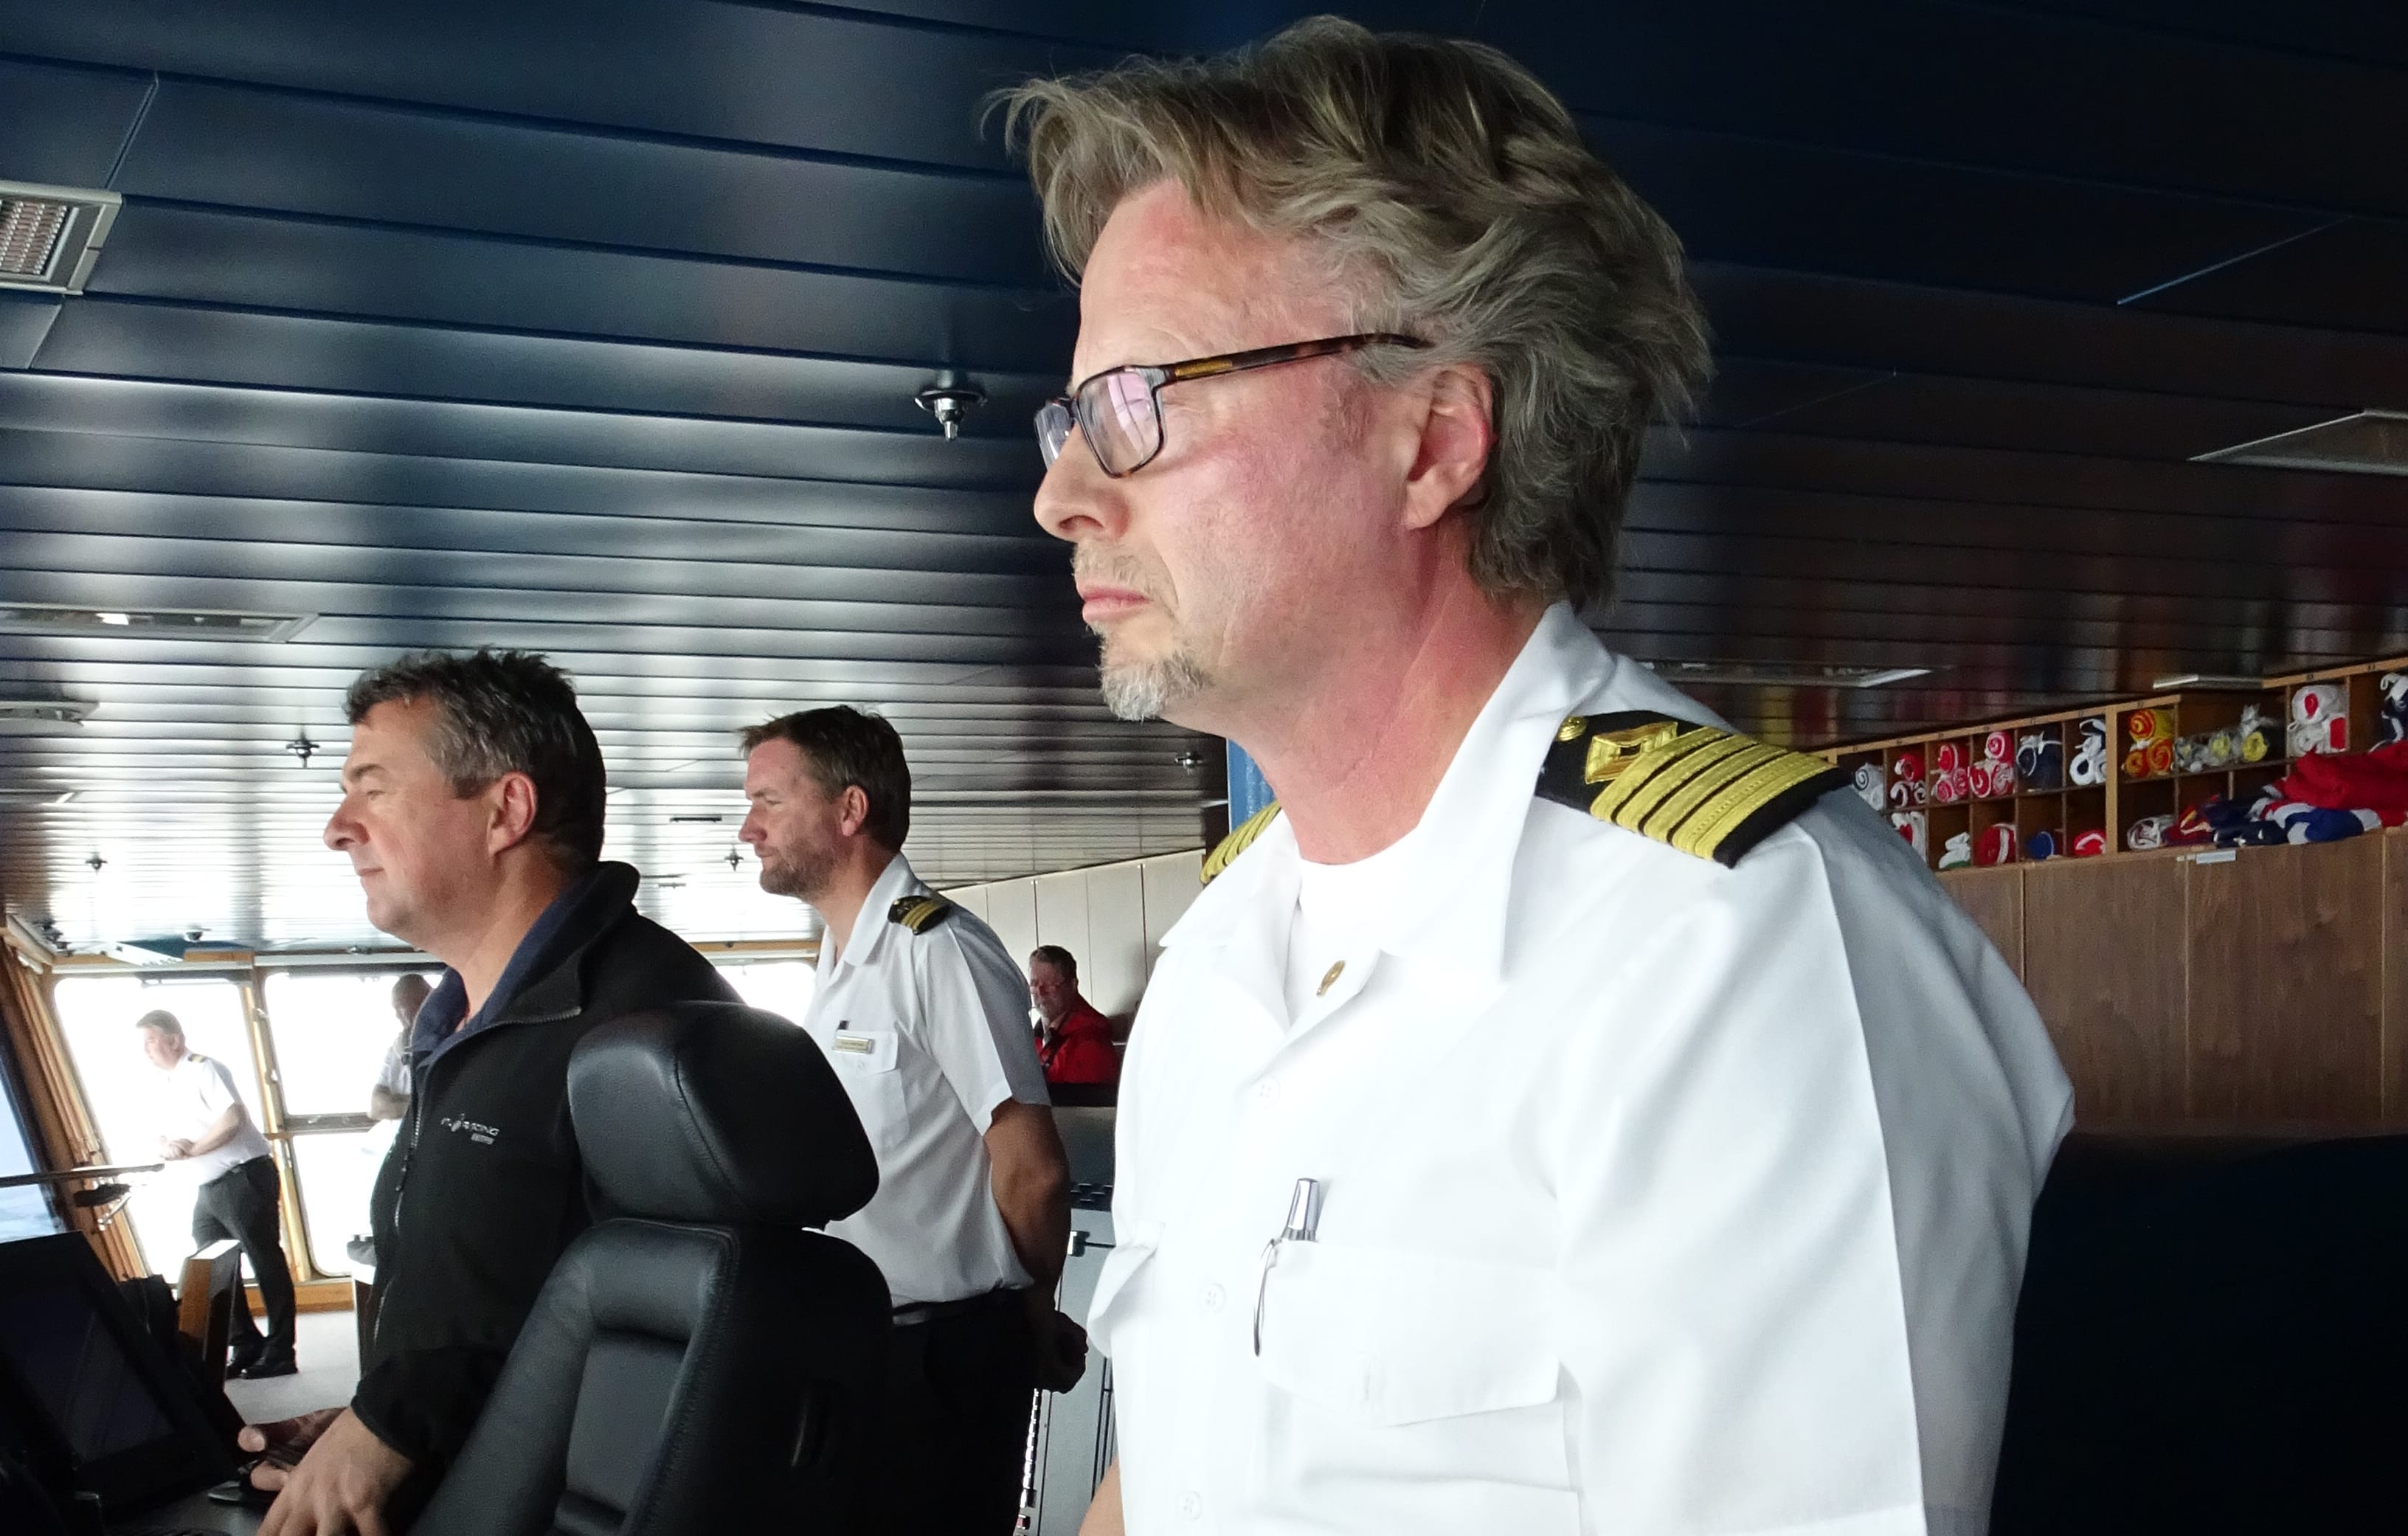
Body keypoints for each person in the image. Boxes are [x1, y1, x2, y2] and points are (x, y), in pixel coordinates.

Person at [1004, 20, 2074, 1536]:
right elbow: (1180, 1473)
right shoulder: (1226, 964)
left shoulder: (1741, 953)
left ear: (1433, 439)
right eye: (1072, 417)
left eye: (1142, 402)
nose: (1061, 493)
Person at [243, 648, 740, 1536]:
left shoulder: (641, 1028)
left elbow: (678, 1373)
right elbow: (519, 1304)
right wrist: (372, 1428)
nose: (337, 826)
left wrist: (403, 1425)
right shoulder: (475, 1026)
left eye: (373, 788)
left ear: (505, 810)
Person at [738, 705, 1084, 1536]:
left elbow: (1032, 1171)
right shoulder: (840, 966)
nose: (748, 827)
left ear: (849, 811)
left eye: (769, 802)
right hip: (859, 1351)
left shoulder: (939, 950)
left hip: (944, 1358)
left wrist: (1032, 1320)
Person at [138, 1009, 297, 1380]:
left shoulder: (203, 1068)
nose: (145, 1051)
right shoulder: (167, 1083)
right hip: (208, 1188)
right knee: (214, 1267)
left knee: (265, 1261)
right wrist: (166, 1145)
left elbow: (233, 1117)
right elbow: (160, 1133)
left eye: (150, 1041)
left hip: (243, 1178)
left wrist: (192, 1151)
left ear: (174, 1040)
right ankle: (245, 1343)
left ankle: (280, 1351)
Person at [1028, 945, 1118, 1086]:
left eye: (1051, 984)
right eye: (1034, 984)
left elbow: (1085, 1107)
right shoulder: (1034, 1039)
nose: (1041, 992)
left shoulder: (1090, 1044)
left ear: (1073, 985)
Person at [367, 973, 429, 1123]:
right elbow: (376, 1107)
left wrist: (396, 1102)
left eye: (401, 1006)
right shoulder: (396, 1049)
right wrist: (419, 1105)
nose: (397, 1015)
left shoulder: (450, 1045)